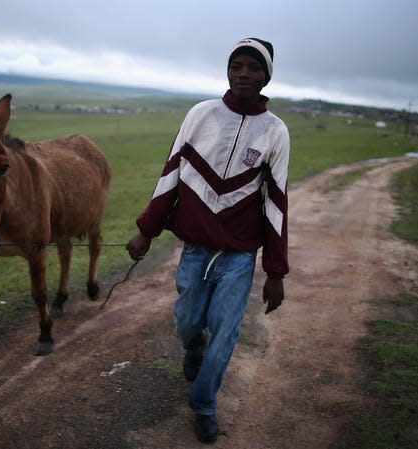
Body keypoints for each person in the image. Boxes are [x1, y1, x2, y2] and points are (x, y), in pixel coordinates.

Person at [126, 37, 290, 443]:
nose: (244, 74)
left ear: (266, 76)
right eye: (238, 66)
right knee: (188, 321)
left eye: (254, 67)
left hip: (238, 255)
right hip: (196, 249)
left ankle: (203, 404)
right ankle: (192, 349)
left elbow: (277, 203)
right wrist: (146, 230)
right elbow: (171, 175)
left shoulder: (275, 131)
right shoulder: (200, 115)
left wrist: (275, 271)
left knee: (226, 329)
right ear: (228, 71)